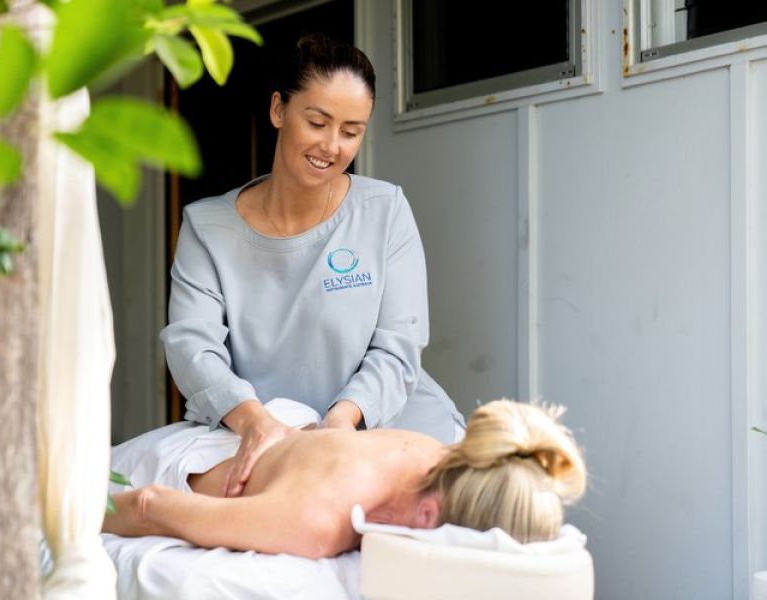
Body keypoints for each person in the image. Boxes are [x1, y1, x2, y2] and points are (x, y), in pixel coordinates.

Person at [161, 32, 465, 500]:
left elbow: (398, 347)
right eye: (317, 122)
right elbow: (192, 348)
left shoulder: (385, 211)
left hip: (387, 430)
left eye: (351, 131)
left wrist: (342, 422)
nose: (331, 146)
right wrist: (256, 423)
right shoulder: (207, 229)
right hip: (264, 437)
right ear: (278, 110)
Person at [103, 399, 587, 559]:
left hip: (288, 439)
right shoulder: (315, 521)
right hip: (175, 466)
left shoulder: (446, 459)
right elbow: (149, 505)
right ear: (428, 516)